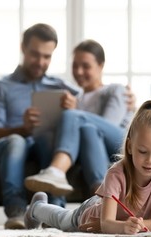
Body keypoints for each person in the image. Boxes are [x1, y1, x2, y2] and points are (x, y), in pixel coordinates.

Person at [0, 24, 135, 229]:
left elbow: (88, 102)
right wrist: (23, 128)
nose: (41, 62)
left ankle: (54, 211)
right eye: (35, 54)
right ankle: (17, 211)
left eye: (47, 56)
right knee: (16, 141)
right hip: (10, 145)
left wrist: (132, 103)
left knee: (48, 139)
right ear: (22, 48)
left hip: (44, 145)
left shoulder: (60, 87)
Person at [23, 100, 151, 234]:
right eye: (142, 151)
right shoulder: (116, 173)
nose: (150, 160)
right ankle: (36, 208)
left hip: (112, 215)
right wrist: (124, 227)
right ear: (130, 147)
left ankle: (38, 208)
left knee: (63, 218)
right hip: (92, 215)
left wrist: (135, 226)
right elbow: (106, 222)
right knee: (63, 219)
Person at [24, 39, 133, 199]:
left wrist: (75, 112)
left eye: (86, 66)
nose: (79, 71)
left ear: (101, 66)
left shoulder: (115, 90)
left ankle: (57, 170)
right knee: (87, 130)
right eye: (75, 66)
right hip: (94, 147)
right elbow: (88, 135)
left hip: (121, 143)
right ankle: (100, 198)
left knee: (76, 119)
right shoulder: (76, 98)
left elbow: (108, 126)